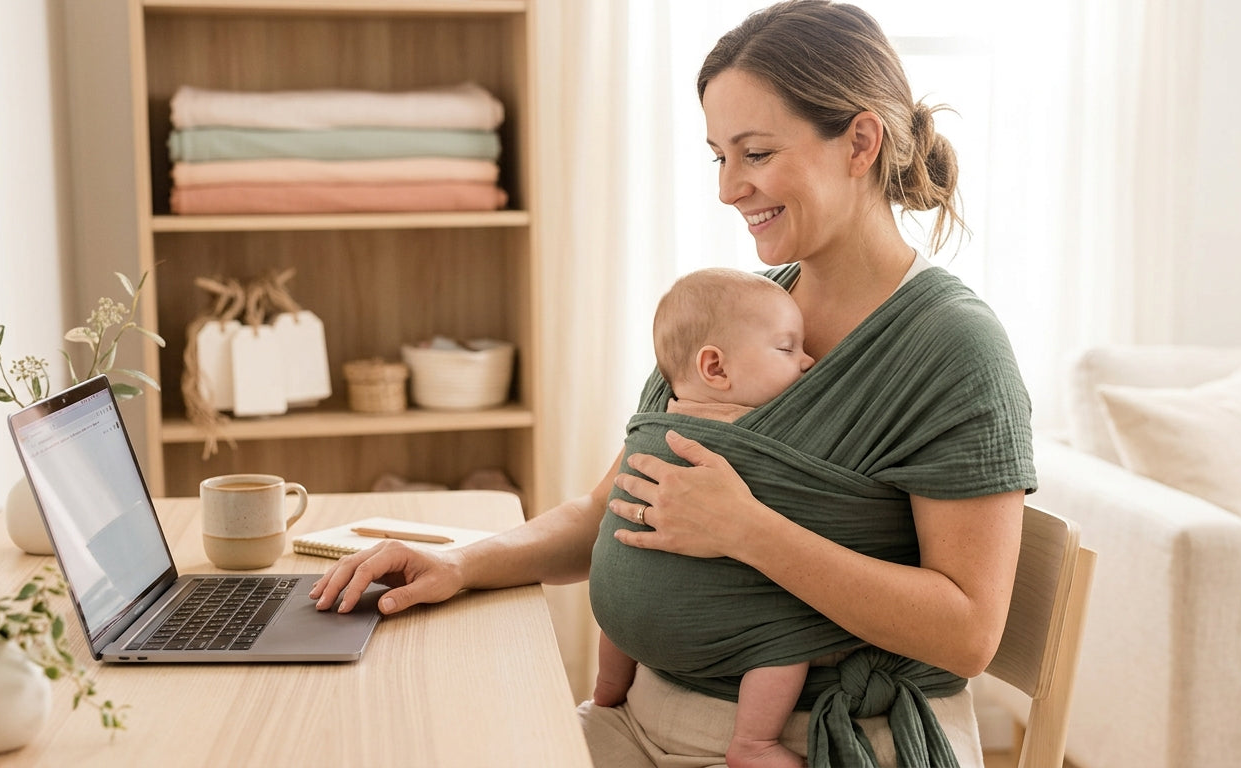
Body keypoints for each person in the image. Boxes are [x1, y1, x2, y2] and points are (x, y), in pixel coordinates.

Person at [310, 2, 1035, 766]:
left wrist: (748, 531)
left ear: (859, 141)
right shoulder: (735, 315)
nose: (729, 188)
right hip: (637, 717)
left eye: (755, 154)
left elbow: (968, 633)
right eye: (719, 156)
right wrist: (461, 563)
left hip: (824, 738)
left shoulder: (952, 347)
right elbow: (610, 510)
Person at [592, 266, 816, 768]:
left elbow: (604, 509)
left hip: (617, 613)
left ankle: (608, 688)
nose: (808, 361)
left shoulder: (657, 420)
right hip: (710, 627)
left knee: (626, 564)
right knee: (789, 637)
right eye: (787, 348)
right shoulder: (761, 438)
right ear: (715, 368)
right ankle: (754, 743)